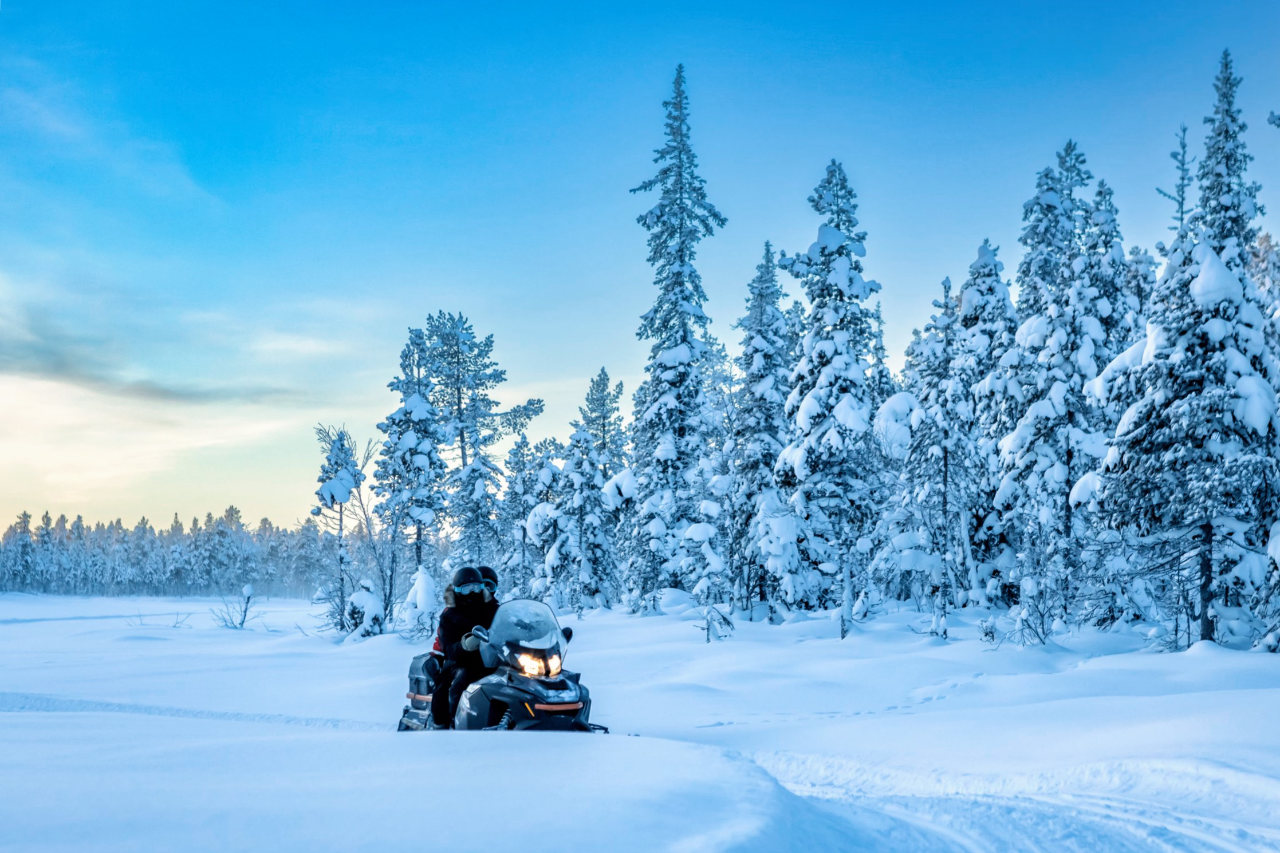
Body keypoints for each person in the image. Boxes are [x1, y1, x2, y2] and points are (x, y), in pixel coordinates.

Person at [430, 566, 499, 728]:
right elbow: (447, 647)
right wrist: (464, 645)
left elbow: (507, 623)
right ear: (458, 590)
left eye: (476, 587)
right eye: (467, 589)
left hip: (491, 658)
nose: (472, 592)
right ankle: (453, 723)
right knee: (461, 679)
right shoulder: (450, 615)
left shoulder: (492, 608)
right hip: (460, 661)